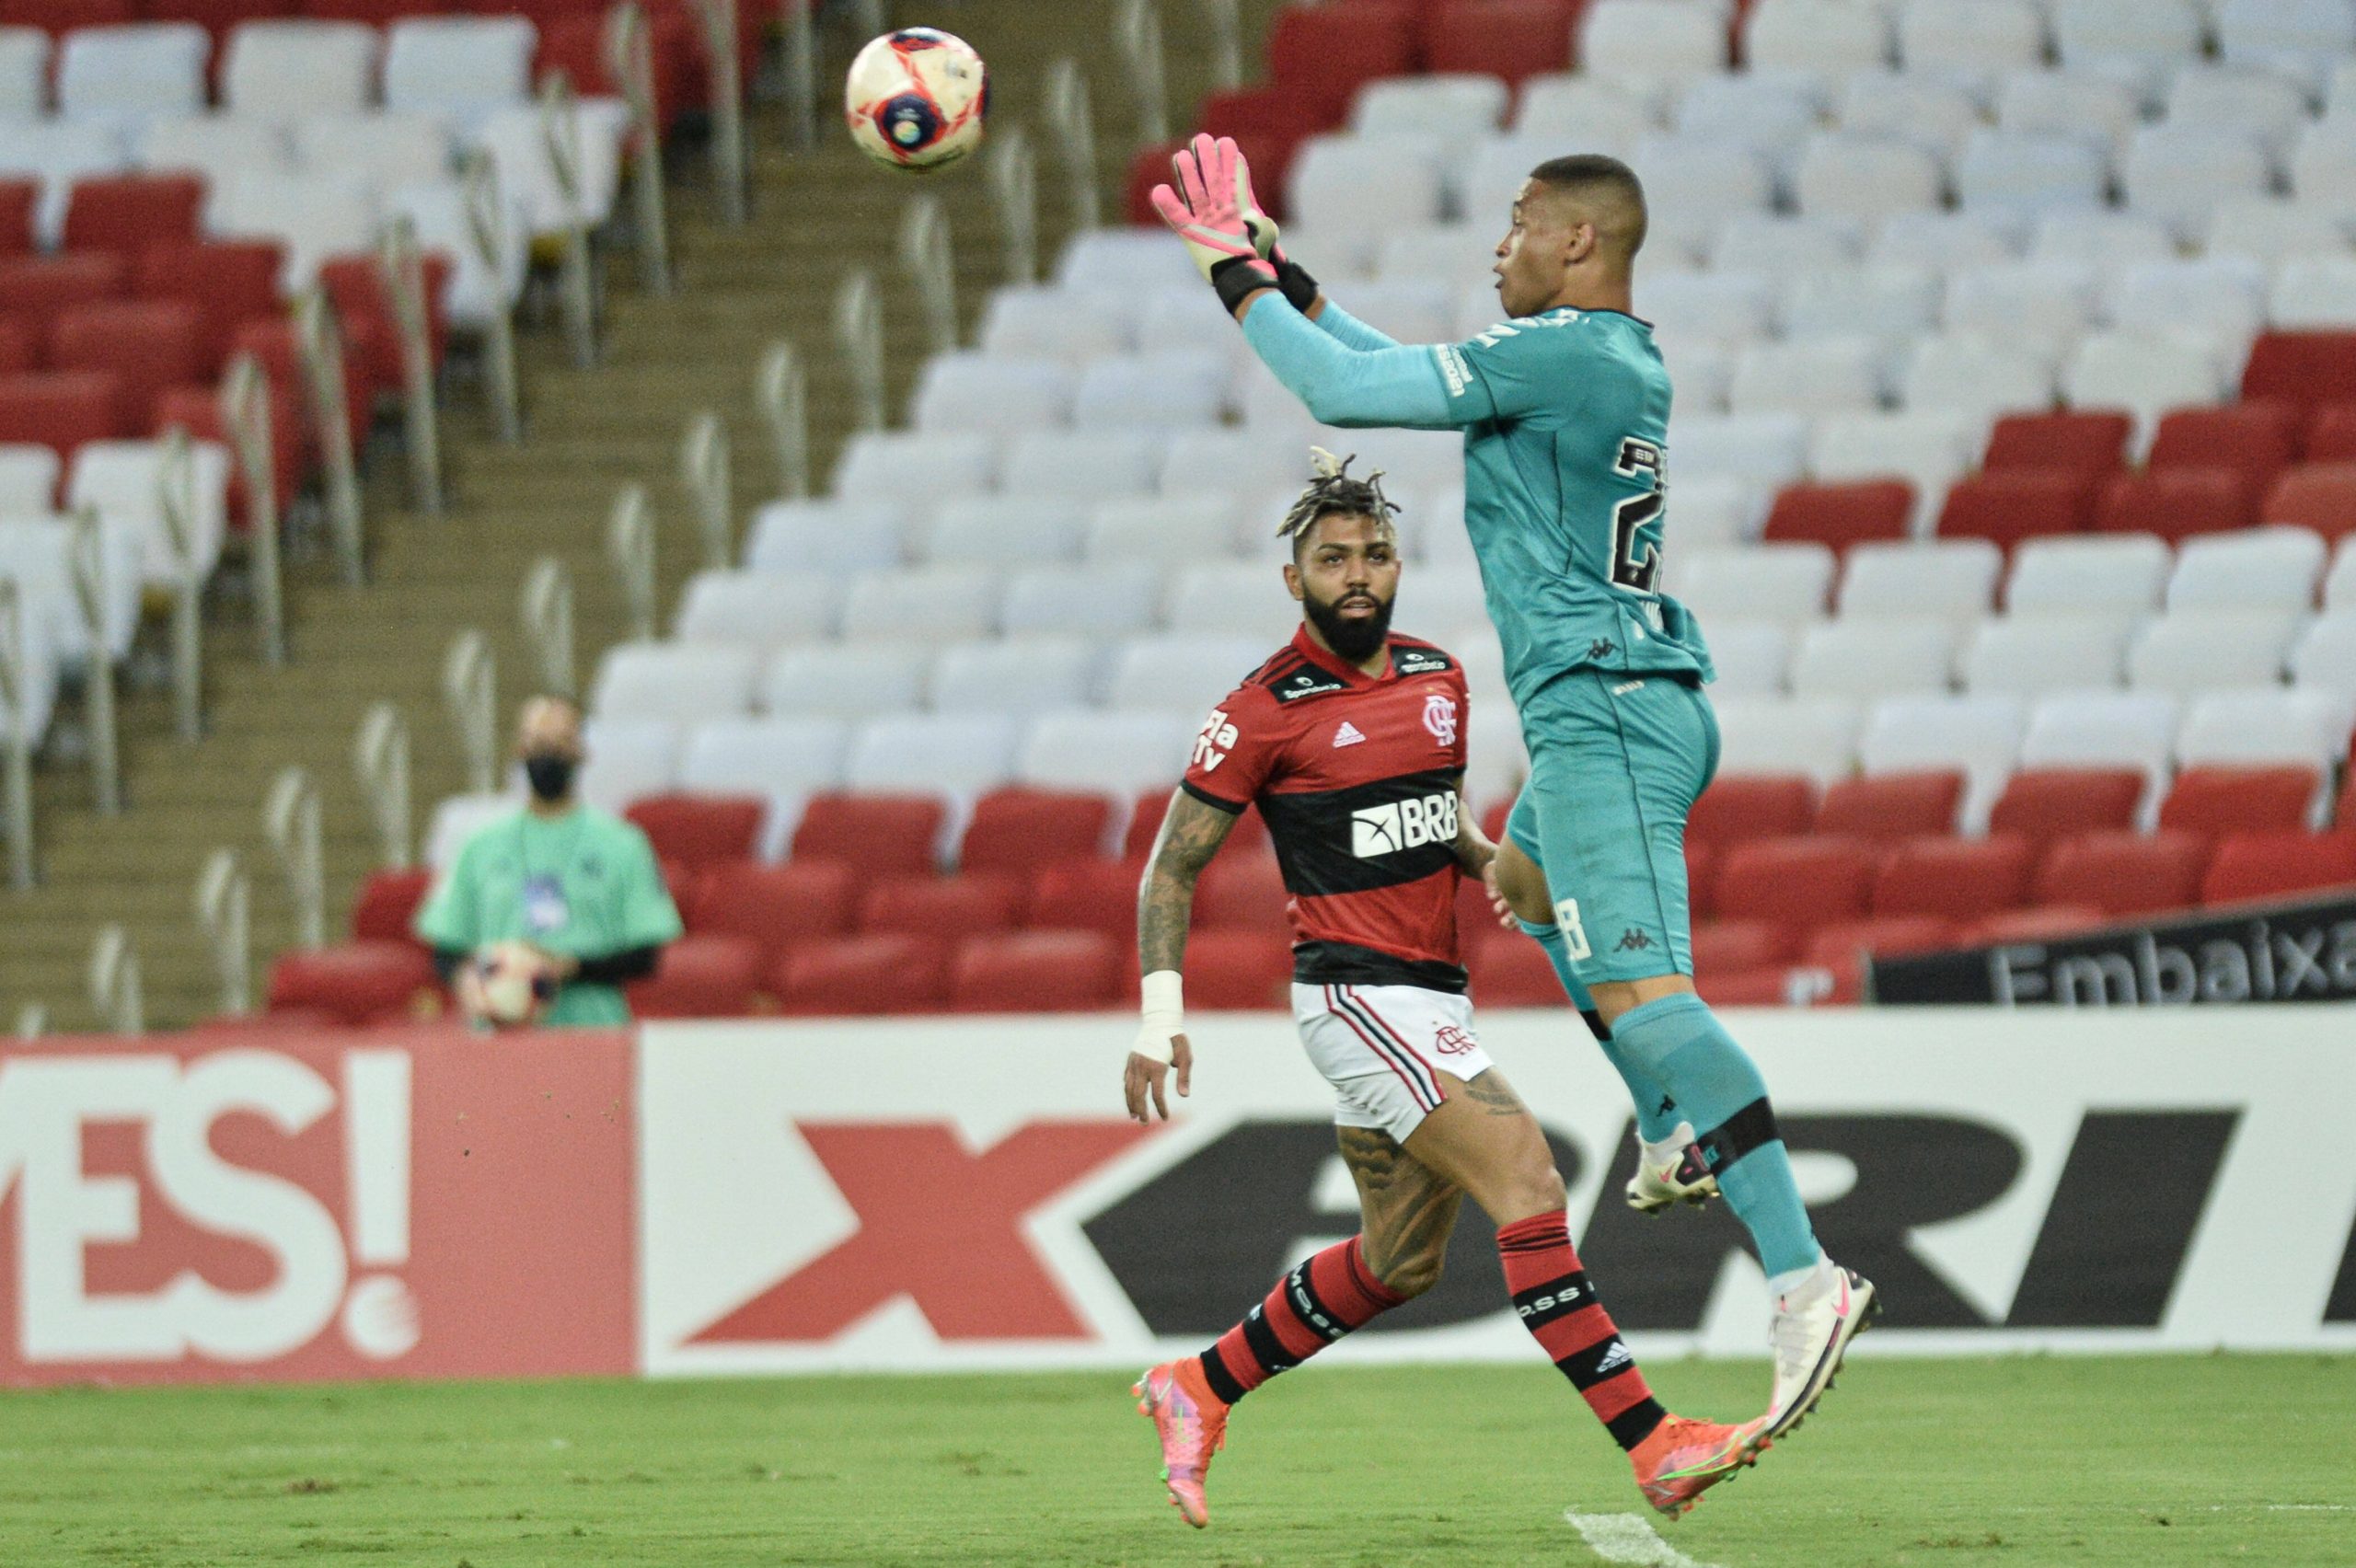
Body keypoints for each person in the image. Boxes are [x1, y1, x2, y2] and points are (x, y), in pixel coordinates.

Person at [1147, 134, 1877, 1444]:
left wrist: (1227, 277)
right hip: (1624, 704)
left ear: (1577, 240)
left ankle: (1801, 1278)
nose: (1499, 247)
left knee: (1654, 1004)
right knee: (1527, 887)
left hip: (1604, 714)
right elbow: (1372, 357)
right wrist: (1283, 269)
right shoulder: (1597, 362)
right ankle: (1670, 1132)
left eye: (1518, 223)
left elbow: (1345, 388)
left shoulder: (1560, 355)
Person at [1124, 454, 1770, 1529]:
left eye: (1374, 552)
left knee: (1399, 1261)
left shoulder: (1437, 677)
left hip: (1433, 993)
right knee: (1528, 1180)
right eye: (1332, 559)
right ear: (1295, 581)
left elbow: (1440, 820)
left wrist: (1491, 871)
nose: (1358, 573)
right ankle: (1654, 1443)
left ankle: (1195, 1386)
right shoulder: (1260, 712)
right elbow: (1171, 868)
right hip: (1357, 1000)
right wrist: (1158, 1021)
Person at [414, 695, 683, 1027]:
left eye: (561, 742)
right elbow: (446, 949)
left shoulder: (624, 845)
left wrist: (572, 968)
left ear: (582, 750)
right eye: (538, 742)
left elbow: (646, 958)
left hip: (592, 1034)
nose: (549, 755)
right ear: (519, 750)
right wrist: (472, 980)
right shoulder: (479, 846)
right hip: (499, 1038)